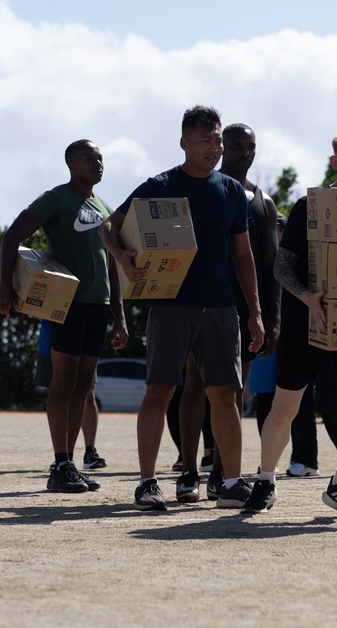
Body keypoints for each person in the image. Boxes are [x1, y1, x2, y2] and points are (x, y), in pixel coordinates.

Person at [99, 105, 264, 511]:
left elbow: (244, 257)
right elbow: (108, 225)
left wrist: (255, 312)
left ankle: (230, 482)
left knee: (226, 394)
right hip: (170, 305)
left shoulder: (230, 191)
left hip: (222, 307)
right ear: (184, 143)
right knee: (160, 390)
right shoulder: (161, 184)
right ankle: (147, 482)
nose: (215, 147)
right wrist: (121, 256)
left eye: (218, 139)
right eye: (206, 140)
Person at [243, 128, 337, 519]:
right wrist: (306, 297)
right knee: (284, 410)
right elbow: (281, 266)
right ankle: (266, 480)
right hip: (308, 323)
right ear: (335, 162)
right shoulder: (310, 206)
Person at [0, 139, 127, 493]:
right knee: (64, 381)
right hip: (67, 304)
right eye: (89, 158)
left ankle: (70, 463)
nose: (97, 163)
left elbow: (113, 265)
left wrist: (120, 317)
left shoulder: (103, 206)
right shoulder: (56, 198)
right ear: (72, 165)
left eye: (100, 158)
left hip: (99, 307)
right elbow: (12, 236)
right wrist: (5, 285)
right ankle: (60, 464)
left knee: (85, 386)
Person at [174, 122, 279, 502]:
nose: (244, 153)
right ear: (222, 147)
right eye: (236, 145)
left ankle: (222, 474)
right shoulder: (205, 187)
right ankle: (188, 470)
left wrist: (269, 316)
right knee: (194, 385)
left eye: (251, 147)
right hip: (202, 297)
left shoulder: (262, 201)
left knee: (234, 391)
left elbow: (270, 265)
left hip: (243, 306)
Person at [36, 319, 107, 470]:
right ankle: (62, 458)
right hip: (53, 331)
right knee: (59, 390)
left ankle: (89, 451)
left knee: (87, 391)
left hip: (85, 324)